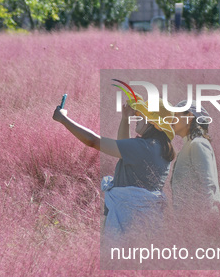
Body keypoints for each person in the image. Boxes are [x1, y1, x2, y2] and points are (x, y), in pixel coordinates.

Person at [52, 95, 176, 236]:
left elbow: (92, 141)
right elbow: (124, 152)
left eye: (141, 116)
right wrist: (125, 119)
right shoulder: (159, 149)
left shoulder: (142, 147)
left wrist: (63, 119)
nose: (137, 119)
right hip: (146, 224)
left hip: (127, 223)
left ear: (152, 122)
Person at [170, 100, 220, 213]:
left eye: (176, 115)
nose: (171, 119)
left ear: (189, 116)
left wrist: (203, 222)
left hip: (201, 218)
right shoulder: (188, 146)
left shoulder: (198, 144)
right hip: (188, 221)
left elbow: (208, 185)